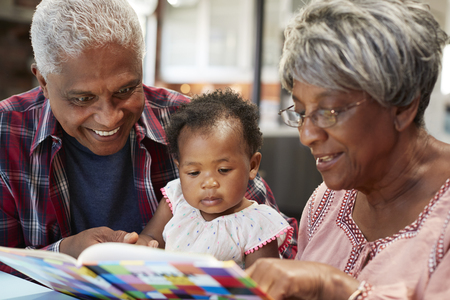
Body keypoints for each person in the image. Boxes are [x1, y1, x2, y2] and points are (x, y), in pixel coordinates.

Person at [0, 0, 299, 276]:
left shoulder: (193, 125)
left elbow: (279, 243)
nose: (109, 117)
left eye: (126, 90)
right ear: (43, 82)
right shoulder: (6, 131)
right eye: (82, 98)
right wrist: (63, 253)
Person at [246, 0, 450, 299]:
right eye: (301, 113)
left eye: (329, 112)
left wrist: (333, 286)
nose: (307, 135)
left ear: (403, 106)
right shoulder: (326, 203)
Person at [136, 89, 294, 269]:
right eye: (194, 172)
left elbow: (260, 283)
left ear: (252, 166)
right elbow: (151, 239)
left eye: (223, 169)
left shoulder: (257, 225)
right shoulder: (176, 199)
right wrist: (141, 244)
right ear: (179, 169)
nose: (209, 183)